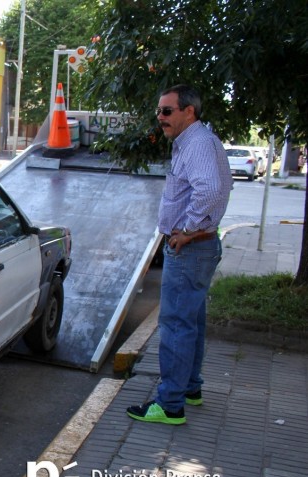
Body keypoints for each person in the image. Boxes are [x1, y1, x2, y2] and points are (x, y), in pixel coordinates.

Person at [127, 84, 233, 425]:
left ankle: (170, 404)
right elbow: (218, 188)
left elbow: (211, 190)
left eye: (167, 111)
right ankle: (190, 388)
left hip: (190, 249)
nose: (160, 117)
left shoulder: (197, 144)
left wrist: (187, 231)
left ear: (190, 111)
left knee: (175, 325)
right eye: (159, 111)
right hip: (199, 247)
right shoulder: (201, 141)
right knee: (192, 322)